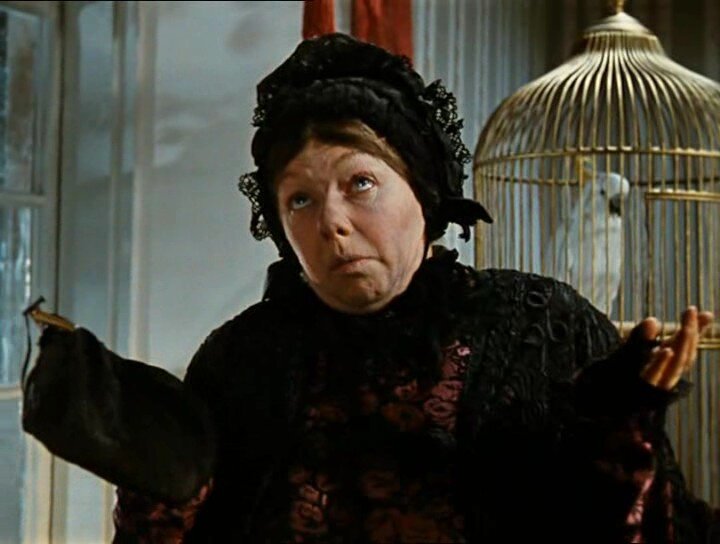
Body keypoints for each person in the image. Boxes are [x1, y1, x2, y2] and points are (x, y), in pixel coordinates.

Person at [22, 33, 717, 544]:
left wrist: (620, 435)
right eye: (299, 199)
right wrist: (151, 475)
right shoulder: (242, 360)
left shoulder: (542, 326)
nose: (331, 223)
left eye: (360, 183)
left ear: (423, 190)